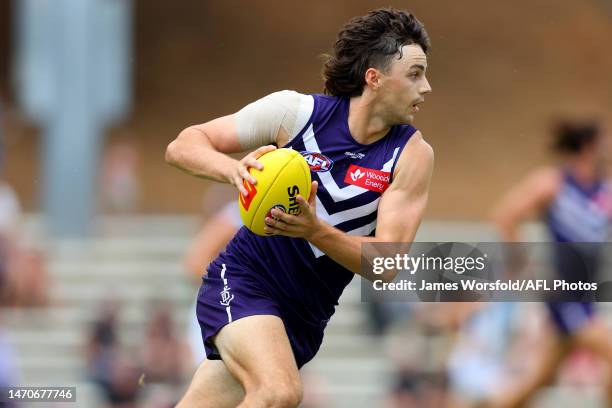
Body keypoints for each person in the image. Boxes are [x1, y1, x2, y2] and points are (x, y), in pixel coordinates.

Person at [166, 8, 434, 407]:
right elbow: (183, 146)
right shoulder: (296, 115)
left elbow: (386, 264)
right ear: (374, 79)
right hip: (244, 279)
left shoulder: (411, 156)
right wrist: (235, 170)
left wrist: (315, 231)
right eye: (415, 73)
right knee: (279, 393)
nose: (426, 87)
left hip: (305, 316)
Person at [490, 119, 612, 407]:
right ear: (588, 146)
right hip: (563, 292)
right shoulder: (553, 182)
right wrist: (525, 265)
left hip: (586, 293)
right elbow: (505, 215)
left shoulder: (604, 188)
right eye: (605, 139)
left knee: (540, 379)